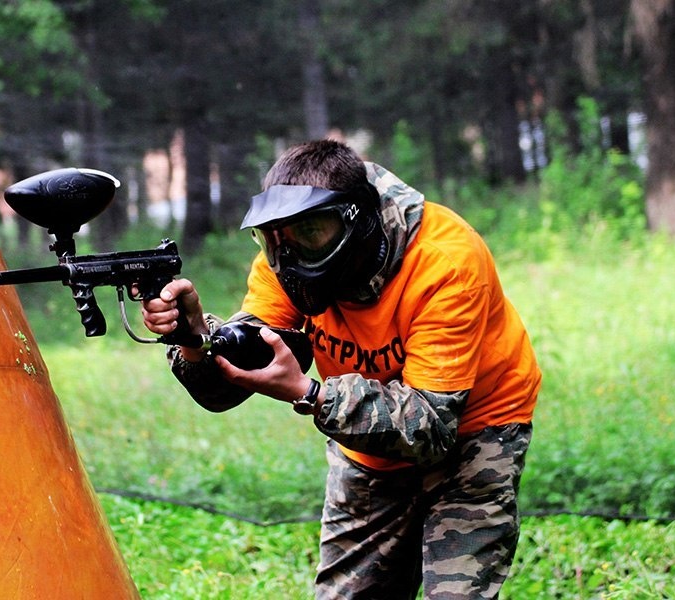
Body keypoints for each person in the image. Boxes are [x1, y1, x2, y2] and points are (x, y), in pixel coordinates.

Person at [141, 139, 541, 599]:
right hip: (365, 439)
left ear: (356, 221)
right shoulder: (283, 260)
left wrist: (310, 395)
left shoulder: (443, 262)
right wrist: (197, 340)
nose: (290, 255)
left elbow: (431, 428)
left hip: (476, 428)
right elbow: (231, 381)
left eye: (312, 231)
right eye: (276, 238)